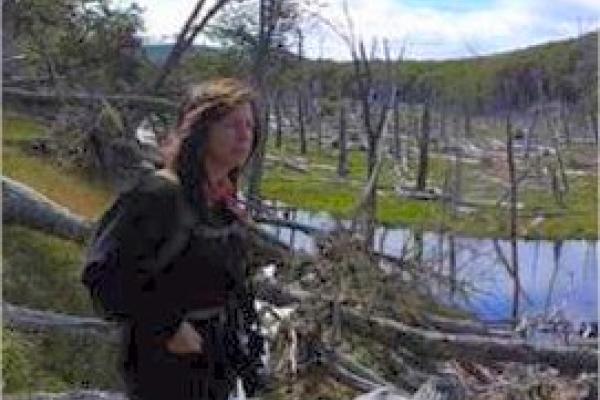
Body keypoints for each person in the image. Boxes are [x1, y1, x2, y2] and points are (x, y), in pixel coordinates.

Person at [93, 78, 265, 400]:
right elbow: (104, 274)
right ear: (200, 130)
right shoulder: (157, 196)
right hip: (163, 368)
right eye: (231, 125)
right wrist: (168, 326)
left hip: (216, 364)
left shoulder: (224, 203)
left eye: (250, 126)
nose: (245, 136)